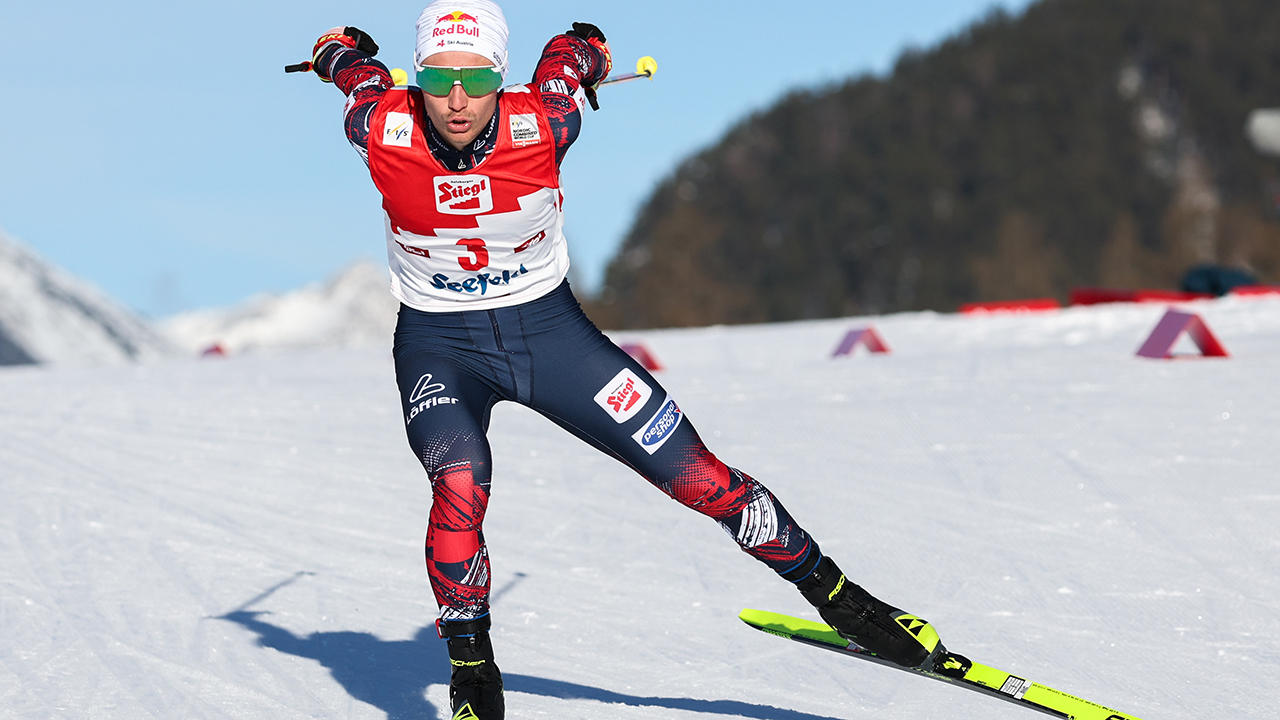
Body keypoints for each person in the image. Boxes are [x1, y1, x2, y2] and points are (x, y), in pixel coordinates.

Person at [308, 3, 946, 718]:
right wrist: (339, 48)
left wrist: (590, 47)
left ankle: (841, 599)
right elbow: (355, 74)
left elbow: (568, 59)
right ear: (417, 76)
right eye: (439, 76)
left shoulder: (545, 121)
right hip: (439, 345)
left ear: (500, 75)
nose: (458, 99)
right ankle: (474, 674)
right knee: (461, 482)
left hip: (548, 336)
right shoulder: (379, 126)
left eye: (478, 75)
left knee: (698, 477)